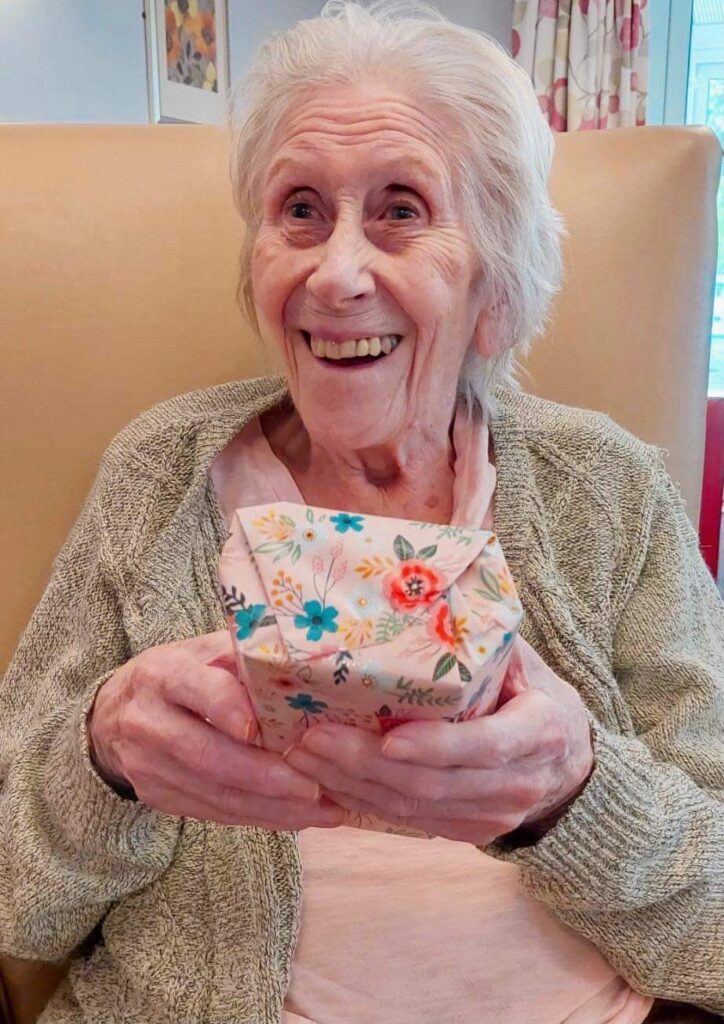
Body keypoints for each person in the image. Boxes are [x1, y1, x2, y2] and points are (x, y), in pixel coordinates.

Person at [1, 3, 722, 1022]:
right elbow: (14, 899)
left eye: (401, 210)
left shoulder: (606, 488)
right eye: (299, 209)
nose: (335, 274)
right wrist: (102, 759)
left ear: (495, 288)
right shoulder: (159, 477)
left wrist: (574, 788)